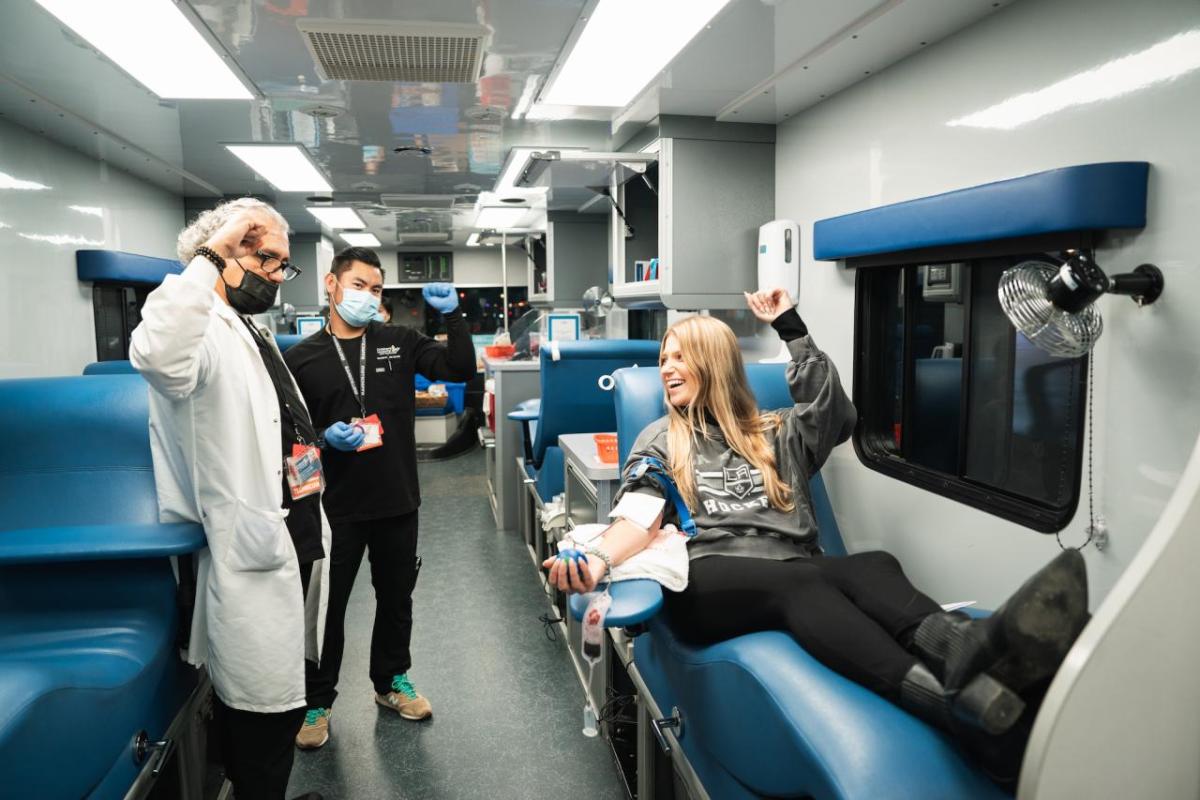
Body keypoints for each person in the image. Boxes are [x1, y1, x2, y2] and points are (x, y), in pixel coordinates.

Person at [544, 288, 1089, 787]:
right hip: (709, 580)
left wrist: (791, 327)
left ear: (714, 362)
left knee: (871, 565)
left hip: (790, 564)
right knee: (801, 586)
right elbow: (637, 518)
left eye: (679, 355)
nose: (667, 368)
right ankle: (948, 708)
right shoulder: (662, 438)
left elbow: (836, 412)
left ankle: (965, 650)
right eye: (663, 359)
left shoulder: (776, 432)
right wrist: (594, 560)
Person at [130, 197, 328, 800]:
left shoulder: (244, 326)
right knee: (261, 711)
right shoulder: (192, 324)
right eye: (268, 259)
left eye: (282, 265)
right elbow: (157, 356)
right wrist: (211, 255)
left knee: (284, 697)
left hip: (292, 530)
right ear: (226, 253)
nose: (277, 276)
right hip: (249, 545)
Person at [285, 247, 475, 749]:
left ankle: (391, 682)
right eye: (359, 285)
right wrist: (324, 437)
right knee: (327, 610)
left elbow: (458, 369)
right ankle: (317, 702)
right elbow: (285, 440)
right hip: (333, 508)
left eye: (376, 290)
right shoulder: (300, 360)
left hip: (396, 500)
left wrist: (453, 314)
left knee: (396, 600)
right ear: (331, 284)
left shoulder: (399, 341)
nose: (368, 297)